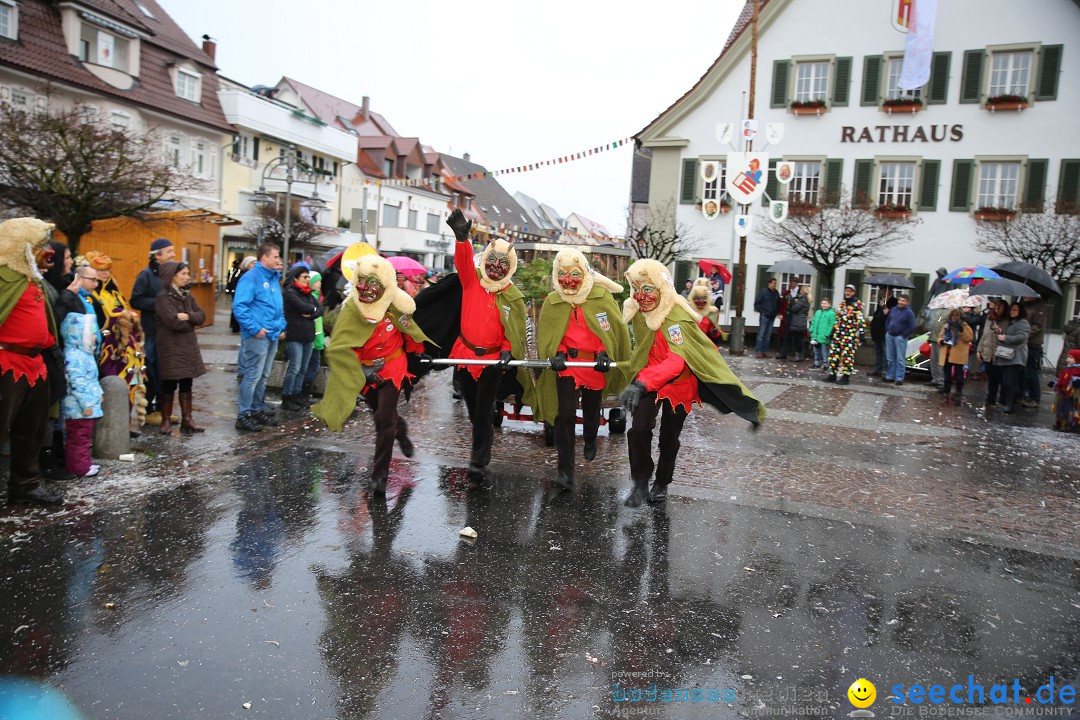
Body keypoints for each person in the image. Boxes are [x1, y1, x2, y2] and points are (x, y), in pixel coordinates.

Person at [618, 259, 764, 507]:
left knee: (668, 438)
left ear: (661, 289)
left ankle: (662, 482)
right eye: (637, 289)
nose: (641, 296)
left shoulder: (677, 316)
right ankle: (640, 481)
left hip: (678, 384)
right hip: (648, 380)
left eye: (647, 289)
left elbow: (677, 361)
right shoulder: (640, 313)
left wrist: (641, 384)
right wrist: (638, 380)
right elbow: (642, 349)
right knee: (638, 429)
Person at [312, 255, 432, 494]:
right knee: (379, 415)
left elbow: (410, 331)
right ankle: (402, 432)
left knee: (384, 419)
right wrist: (360, 370)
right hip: (364, 371)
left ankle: (380, 475)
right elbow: (342, 345)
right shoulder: (352, 309)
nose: (367, 288)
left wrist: (421, 351)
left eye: (373, 282)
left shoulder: (395, 305)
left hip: (392, 367)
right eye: (363, 281)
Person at [533, 248, 630, 491]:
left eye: (574, 274)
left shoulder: (600, 298)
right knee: (564, 413)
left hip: (593, 364)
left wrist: (602, 351)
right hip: (568, 364)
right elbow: (550, 333)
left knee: (591, 408)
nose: (568, 280)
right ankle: (564, 471)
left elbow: (610, 330)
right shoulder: (554, 302)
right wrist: (559, 352)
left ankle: (589, 438)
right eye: (562, 274)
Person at [444, 209, 529, 483]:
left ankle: (478, 460)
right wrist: (461, 239)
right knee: (473, 410)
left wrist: (507, 347)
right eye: (491, 261)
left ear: (510, 266)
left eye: (502, 263)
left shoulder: (512, 296)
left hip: (493, 362)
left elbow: (513, 329)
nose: (495, 267)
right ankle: (481, 447)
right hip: (466, 356)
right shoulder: (472, 283)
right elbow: (463, 262)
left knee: (483, 411)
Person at [0, 217, 63, 505]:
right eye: (39, 244)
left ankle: (25, 485)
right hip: (6, 362)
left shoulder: (31, 278)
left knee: (32, 430)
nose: (45, 249)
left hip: (36, 364)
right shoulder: (3, 277)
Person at [233, 244, 287, 432]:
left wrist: (281, 326)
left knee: (263, 376)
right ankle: (244, 414)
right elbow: (240, 306)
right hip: (258, 335)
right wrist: (255, 328)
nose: (278, 260)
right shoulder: (251, 278)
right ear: (264, 258)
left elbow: (277, 307)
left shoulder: (273, 278)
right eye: (275, 256)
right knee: (252, 376)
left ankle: (256, 408)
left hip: (271, 334)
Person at [154, 261, 207, 435]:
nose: (186, 277)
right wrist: (190, 323)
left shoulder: (187, 295)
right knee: (169, 383)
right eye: (183, 274)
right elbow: (173, 322)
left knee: (186, 383)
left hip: (187, 347)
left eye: (187, 274)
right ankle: (166, 420)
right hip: (170, 346)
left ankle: (187, 419)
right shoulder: (163, 297)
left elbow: (201, 317)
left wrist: (188, 317)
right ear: (172, 276)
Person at [130, 238, 176, 424]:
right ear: (157, 255)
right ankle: (149, 411)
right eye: (169, 251)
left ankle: (163, 411)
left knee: (168, 373)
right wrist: (158, 303)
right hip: (153, 333)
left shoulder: (173, 273)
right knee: (152, 373)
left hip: (170, 333)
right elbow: (135, 300)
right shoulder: (146, 275)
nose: (173, 254)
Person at [60, 312, 102, 477]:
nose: (94, 337)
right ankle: (79, 467)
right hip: (80, 406)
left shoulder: (83, 354)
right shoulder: (76, 356)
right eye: (91, 333)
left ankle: (82, 464)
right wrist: (87, 404)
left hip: (84, 404)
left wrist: (99, 393)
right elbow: (78, 383)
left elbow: (91, 380)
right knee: (79, 437)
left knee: (83, 436)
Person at [281, 266, 323, 411]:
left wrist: (311, 313)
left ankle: (297, 395)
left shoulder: (308, 293)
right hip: (295, 335)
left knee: (303, 369)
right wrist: (311, 310)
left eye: (307, 277)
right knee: (295, 367)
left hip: (308, 335)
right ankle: (287, 396)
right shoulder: (290, 293)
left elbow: (320, 309)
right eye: (304, 277)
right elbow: (303, 307)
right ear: (295, 278)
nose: (307, 280)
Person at [993, 302, 1030, 414]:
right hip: (1005, 355)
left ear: (1020, 311)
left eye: (1015, 310)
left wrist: (1006, 338)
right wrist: (1000, 333)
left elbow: (1022, 337)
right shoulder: (1010, 322)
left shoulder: (1023, 323)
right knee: (1005, 381)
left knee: (1011, 381)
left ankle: (1010, 405)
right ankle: (1006, 404)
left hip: (1015, 356)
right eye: (1011, 309)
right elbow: (1006, 335)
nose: (1012, 312)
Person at [824, 285, 866, 385]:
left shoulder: (857, 305)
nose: (848, 293)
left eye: (850, 291)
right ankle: (832, 375)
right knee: (834, 353)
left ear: (854, 293)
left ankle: (846, 376)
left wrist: (861, 332)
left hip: (849, 334)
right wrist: (833, 331)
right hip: (838, 333)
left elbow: (860, 319)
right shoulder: (842, 304)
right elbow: (838, 318)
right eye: (846, 291)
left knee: (847, 355)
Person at [976, 299, 1009, 408]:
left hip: (999, 353)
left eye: (1000, 307)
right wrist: (979, 349)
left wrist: (999, 330)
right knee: (991, 377)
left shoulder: (1006, 321)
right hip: (987, 352)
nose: (997, 309)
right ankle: (991, 398)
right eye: (996, 306)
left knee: (1001, 378)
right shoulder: (989, 319)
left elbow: (1005, 337)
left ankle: (1003, 400)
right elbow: (984, 335)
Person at [937, 308, 974, 401]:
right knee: (947, 371)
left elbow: (969, 338)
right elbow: (940, 336)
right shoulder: (947, 325)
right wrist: (941, 341)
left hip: (958, 353)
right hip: (947, 352)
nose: (954, 317)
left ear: (960, 316)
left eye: (956, 315)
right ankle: (946, 388)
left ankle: (958, 390)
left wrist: (960, 331)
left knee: (958, 372)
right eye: (953, 315)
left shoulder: (965, 326)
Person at [301, 271, 326, 401]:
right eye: (317, 281)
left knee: (313, 366)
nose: (319, 283)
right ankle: (304, 394)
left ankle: (305, 393)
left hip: (317, 339)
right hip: (313, 340)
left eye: (320, 281)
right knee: (310, 367)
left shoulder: (317, 297)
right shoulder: (311, 298)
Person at [883, 294, 915, 386]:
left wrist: (903, 335)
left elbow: (912, 326)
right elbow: (888, 320)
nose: (901, 302)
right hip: (890, 335)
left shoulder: (909, 313)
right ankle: (890, 376)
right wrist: (887, 330)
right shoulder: (893, 309)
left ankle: (899, 378)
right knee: (890, 357)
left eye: (903, 301)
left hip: (900, 337)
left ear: (907, 302)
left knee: (900, 359)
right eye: (900, 300)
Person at [1021, 296, 1046, 408]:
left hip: (1032, 343)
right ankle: (1022, 393)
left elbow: (1038, 326)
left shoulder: (1040, 308)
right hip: (1022, 342)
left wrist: (1023, 334)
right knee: (1021, 369)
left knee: (1031, 370)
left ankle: (1034, 397)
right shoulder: (1025, 306)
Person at [778, 285, 810, 361]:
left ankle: (800, 355)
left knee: (798, 338)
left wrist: (792, 301)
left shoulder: (803, 299)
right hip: (797, 320)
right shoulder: (804, 298)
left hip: (797, 320)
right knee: (794, 337)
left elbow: (794, 309)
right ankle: (791, 353)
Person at [1052, 349, 1080, 432]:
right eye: (1068, 357)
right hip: (1062, 392)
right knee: (1060, 407)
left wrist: (1077, 382)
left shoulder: (1078, 370)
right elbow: (1061, 378)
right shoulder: (1066, 369)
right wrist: (1055, 383)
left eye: (1071, 357)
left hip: (1072, 394)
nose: (1068, 359)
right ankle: (1060, 422)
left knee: (1069, 409)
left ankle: (1069, 424)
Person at [688, 278, 723, 344]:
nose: (701, 301)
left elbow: (713, 331)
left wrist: (715, 332)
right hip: (690, 343)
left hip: (704, 343)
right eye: (697, 298)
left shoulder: (711, 312)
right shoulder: (687, 310)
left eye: (704, 298)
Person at [868, 295, 896, 376]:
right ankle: (878, 369)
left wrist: (888, 312)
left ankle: (885, 371)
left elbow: (892, 316)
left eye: (884, 290)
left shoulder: (893, 302)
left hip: (884, 330)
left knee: (885, 352)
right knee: (878, 351)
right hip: (877, 330)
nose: (883, 292)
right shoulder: (881, 300)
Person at [753, 278, 780, 358]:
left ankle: (765, 350)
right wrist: (762, 311)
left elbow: (778, 304)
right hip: (765, 316)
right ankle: (758, 351)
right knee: (761, 334)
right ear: (769, 283)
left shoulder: (776, 293)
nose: (775, 285)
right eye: (774, 283)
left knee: (768, 335)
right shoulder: (764, 292)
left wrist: (776, 312)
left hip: (772, 316)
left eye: (776, 283)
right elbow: (757, 303)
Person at [775, 278, 801, 358]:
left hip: (797, 317)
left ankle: (798, 353)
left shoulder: (800, 293)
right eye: (790, 283)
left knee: (797, 336)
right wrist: (781, 313)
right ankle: (783, 353)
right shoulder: (787, 293)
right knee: (785, 334)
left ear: (796, 283)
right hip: (787, 316)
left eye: (792, 283)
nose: (791, 284)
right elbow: (782, 304)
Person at [229, 256, 256, 334]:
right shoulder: (245, 276)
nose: (255, 266)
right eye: (253, 264)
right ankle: (235, 327)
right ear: (247, 265)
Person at [808, 298, 836, 368]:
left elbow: (831, 325)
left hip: (824, 335)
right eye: (822, 303)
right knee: (816, 351)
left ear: (829, 305)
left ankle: (826, 364)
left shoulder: (831, 314)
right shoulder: (818, 312)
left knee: (824, 351)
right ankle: (816, 363)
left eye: (825, 303)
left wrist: (827, 334)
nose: (823, 305)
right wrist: (811, 330)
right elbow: (814, 322)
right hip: (816, 335)